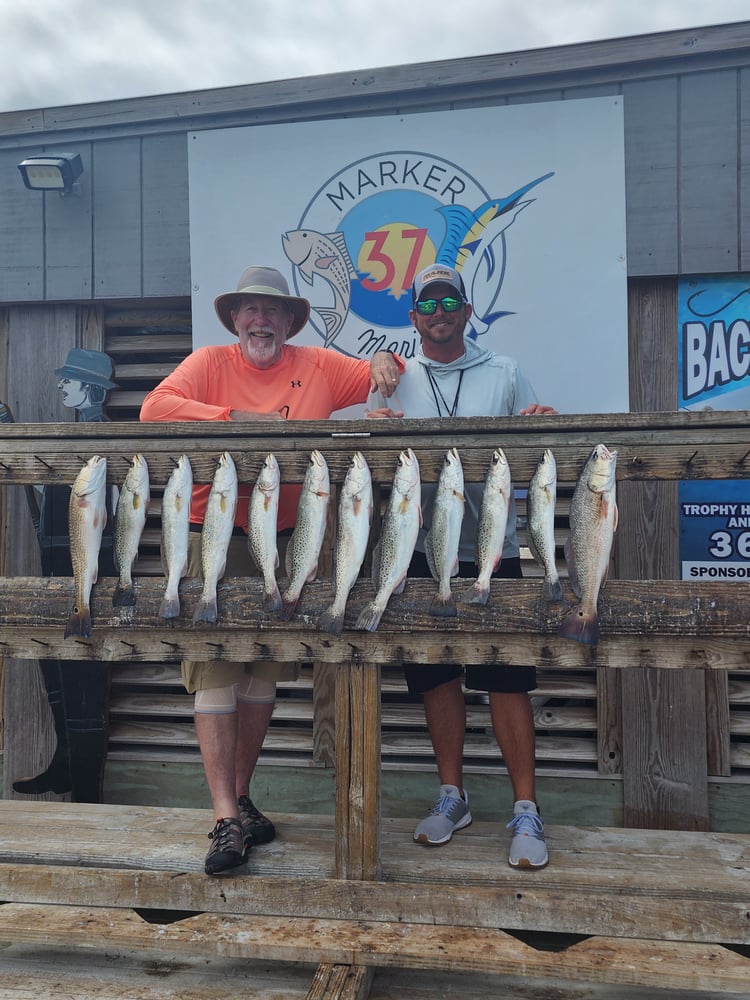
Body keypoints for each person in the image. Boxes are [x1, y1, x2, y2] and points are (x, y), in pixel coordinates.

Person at [140, 264, 401, 875]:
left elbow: (379, 373)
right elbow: (155, 409)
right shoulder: (208, 364)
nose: (262, 321)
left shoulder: (318, 365)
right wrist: (230, 423)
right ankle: (224, 817)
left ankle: (244, 799)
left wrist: (389, 358)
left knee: (262, 675)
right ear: (235, 320)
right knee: (216, 673)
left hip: (289, 539)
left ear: (289, 321)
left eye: (273, 312)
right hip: (214, 537)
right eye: (251, 311)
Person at [366, 263, 556, 870]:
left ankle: (526, 808)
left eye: (452, 300)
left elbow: (538, 454)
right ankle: (454, 796)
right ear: (414, 317)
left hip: (493, 551)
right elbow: (376, 450)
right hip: (421, 552)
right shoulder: (395, 375)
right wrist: (376, 426)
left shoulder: (505, 372)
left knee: (507, 680)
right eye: (429, 302)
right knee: (435, 677)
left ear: (468, 312)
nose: (441, 310)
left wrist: (540, 428)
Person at [12, 348, 118, 802]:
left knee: (85, 677)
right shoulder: (64, 436)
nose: (60, 385)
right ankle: (63, 768)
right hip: (54, 564)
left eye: (69, 379)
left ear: (91, 387)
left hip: (93, 570)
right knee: (53, 665)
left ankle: (88, 792)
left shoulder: (107, 441)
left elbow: (111, 508)